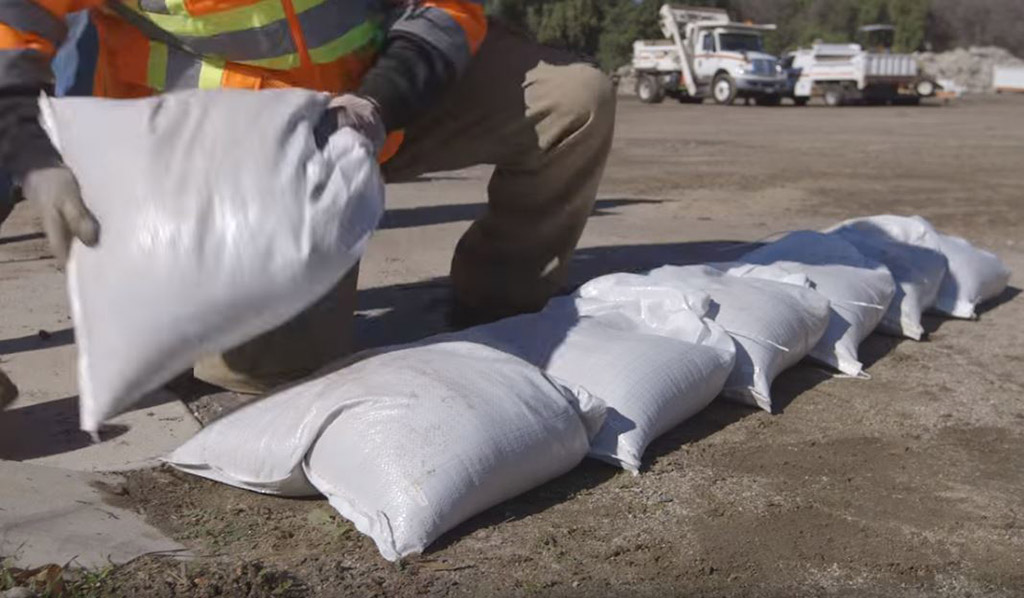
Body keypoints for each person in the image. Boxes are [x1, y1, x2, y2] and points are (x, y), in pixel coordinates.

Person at [0, 1, 616, 395]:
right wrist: (30, 152)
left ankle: (502, 303)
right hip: (229, 146)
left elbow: (447, 8)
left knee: (573, 98)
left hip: (375, 106)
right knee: (264, 375)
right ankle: (193, 296)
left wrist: (380, 104)